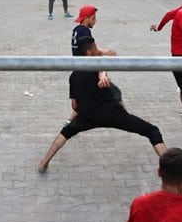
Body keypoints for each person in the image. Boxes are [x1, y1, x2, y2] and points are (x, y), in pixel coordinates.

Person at [37, 36, 167, 173]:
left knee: (66, 131)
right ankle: (172, 169)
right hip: (113, 114)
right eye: (95, 47)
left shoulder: (73, 76)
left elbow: (74, 106)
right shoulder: (97, 64)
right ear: (88, 52)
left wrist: (85, 111)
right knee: (152, 131)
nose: (97, 50)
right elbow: (102, 68)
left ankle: (44, 162)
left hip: (88, 116)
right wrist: (103, 76)